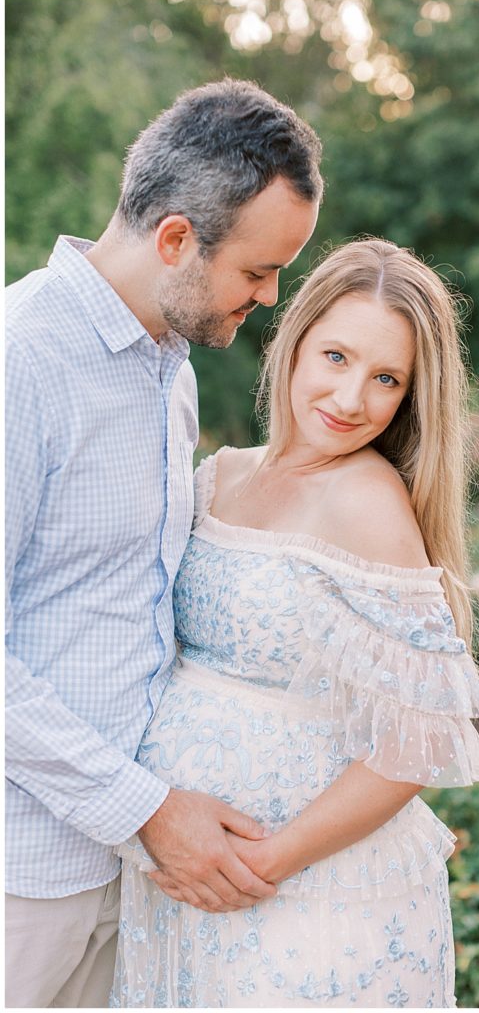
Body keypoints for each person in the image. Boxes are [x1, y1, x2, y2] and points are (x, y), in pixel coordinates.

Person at [110, 238, 479, 1008]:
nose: (351, 398)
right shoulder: (221, 474)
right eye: (336, 356)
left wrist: (262, 865)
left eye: (386, 378)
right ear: (294, 341)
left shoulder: (368, 500)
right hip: (179, 879)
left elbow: (411, 748)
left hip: (301, 893)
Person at [5, 77, 322, 1008]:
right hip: (23, 873)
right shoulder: (20, 359)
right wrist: (146, 811)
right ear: (177, 238)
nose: (266, 300)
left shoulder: (168, 368)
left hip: (137, 866)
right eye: (258, 273)